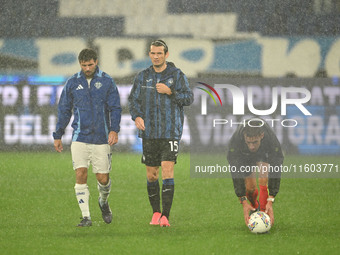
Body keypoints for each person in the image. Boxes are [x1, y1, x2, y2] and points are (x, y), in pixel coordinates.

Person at [128, 39, 194, 227]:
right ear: (149, 54)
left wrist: (170, 92)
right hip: (149, 133)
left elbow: (189, 98)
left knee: (167, 169)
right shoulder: (142, 76)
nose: (156, 56)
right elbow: (133, 100)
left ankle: (165, 215)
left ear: (166, 54)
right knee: (152, 175)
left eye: (159, 53)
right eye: (153, 53)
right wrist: (137, 117)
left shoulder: (176, 75)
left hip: (170, 131)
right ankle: (156, 213)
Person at [53, 48, 122, 227]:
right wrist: (58, 134)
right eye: (84, 65)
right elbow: (64, 110)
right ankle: (86, 217)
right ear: (80, 64)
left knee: (103, 179)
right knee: (80, 173)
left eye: (90, 65)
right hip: (79, 137)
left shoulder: (107, 81)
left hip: (101, 138)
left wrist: (114, 130)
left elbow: (115, 108)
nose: (87, 68)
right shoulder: (72, 83)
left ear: (96, 62)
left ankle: (103, 201)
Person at [227, 118, 283, 226]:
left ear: (261, 135)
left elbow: (276, 167)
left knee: (263, 178)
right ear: (244, 136)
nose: (252, 146)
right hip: (245, 155)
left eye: (255, 142)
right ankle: (254, 206)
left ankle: (263, 213)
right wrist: (243, 201)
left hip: (263, 152)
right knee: (250, 189)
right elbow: (236, 171)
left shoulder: (270, 140)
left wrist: (271, 199)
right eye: (249, 142)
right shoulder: (236, 142)